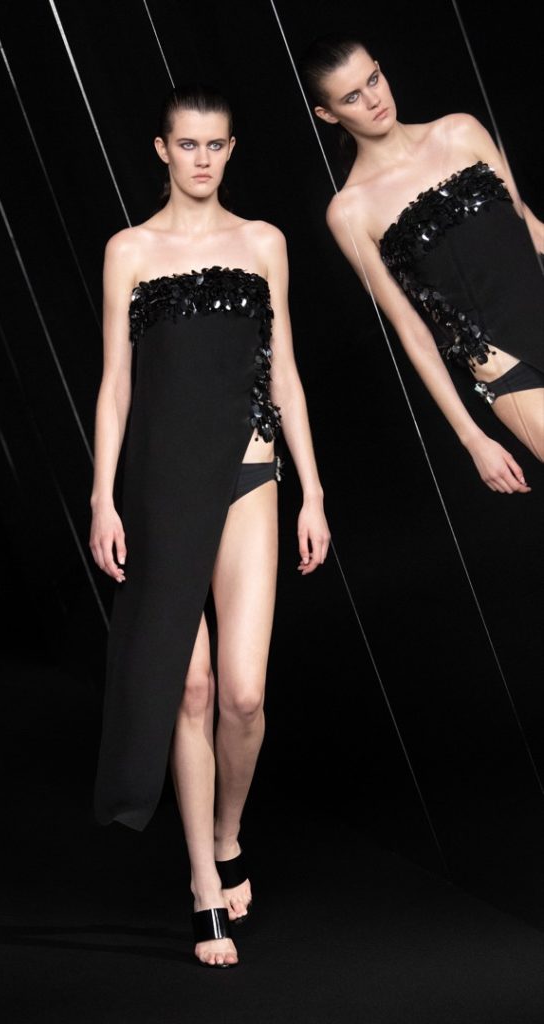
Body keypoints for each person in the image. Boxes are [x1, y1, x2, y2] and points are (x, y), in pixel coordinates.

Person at [89, 85, 330, 967]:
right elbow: (116, 383)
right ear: (161, 149)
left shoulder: (263, 241)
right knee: (186, 690)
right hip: (158, 485)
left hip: (250, 473)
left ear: (231, 150)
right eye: (187, 144)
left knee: (241, 696)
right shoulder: (129, 249)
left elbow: (285, 372)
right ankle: (202, 882)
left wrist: (313, 492)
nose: (201, 159)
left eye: (215, 145)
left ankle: (228, 832)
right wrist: (101, 498)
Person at [299, 36, 544, 493]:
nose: (373, 100)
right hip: (503, 365)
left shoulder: (460, 131)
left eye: (374, 79)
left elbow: (531, 228)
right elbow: (411, 329)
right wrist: (472, 438)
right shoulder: (350, 211)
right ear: (327, 114)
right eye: (351, 97)